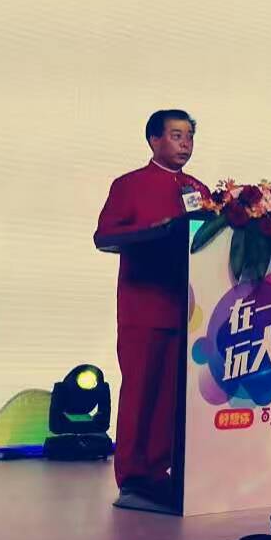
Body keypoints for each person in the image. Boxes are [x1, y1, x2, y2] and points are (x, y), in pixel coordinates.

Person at [94, 109, 208, 512]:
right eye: (176, 136)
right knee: (141, 393)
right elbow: (104, 236)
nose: (185, 144)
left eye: (189, 137)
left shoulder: (198, 189)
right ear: (153, 140)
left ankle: (161, 473)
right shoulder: (129, 184)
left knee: (171, 399)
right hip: (143, 307)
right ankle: (133, 478)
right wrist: (157, 230)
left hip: (187, 310)